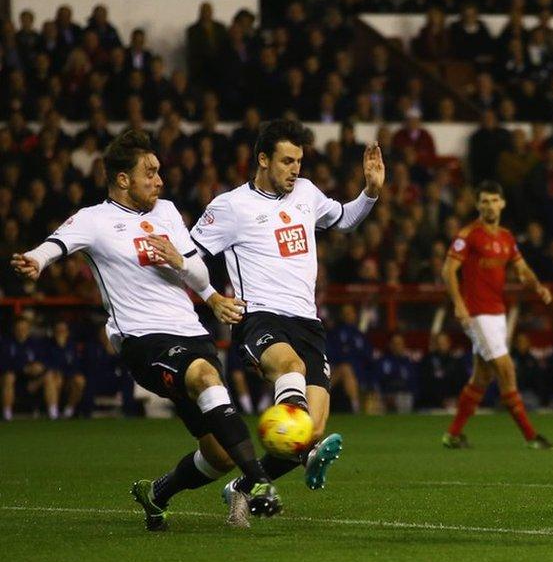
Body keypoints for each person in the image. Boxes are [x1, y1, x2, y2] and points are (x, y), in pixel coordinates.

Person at [11, 129, 280, 531]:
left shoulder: (167, 212)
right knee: (205, 376)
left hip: (190, 333)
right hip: (143, 340)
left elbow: (198, 270)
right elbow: (57, 243)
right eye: (150, 172)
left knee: (220, 454)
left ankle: (157, 494)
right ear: (123, 179)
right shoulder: (95, 220)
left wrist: (184, 266)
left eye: (159, 172)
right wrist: (36, 259)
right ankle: (259, 482)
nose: (159, 180)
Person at [190, 119, 384, 522]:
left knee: (310, 429)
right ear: (263, 159)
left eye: (299, 161)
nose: (295, 169)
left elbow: (343, 219)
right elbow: (189, 258)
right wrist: (212, 299)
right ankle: (304, 454)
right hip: (259, 317)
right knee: (290, 369)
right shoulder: (229, 207)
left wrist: (370, 193)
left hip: (307, 322)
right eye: (286, 161)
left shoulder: (307, 194)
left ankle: (241, 487)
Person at [441, 181, 553, 449]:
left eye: (494, 200)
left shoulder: (506, 237)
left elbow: (522, 268)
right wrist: (459, 304)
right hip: (477, 314)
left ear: (502, 204)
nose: (490, 205)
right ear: (478, 205)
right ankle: (531, 436)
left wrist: (538, 286)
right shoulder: (468, 235)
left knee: (482, 377)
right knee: (506, 369)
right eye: (485, 201)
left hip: (497, 313)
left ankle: (453, 435)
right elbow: (448, 271)